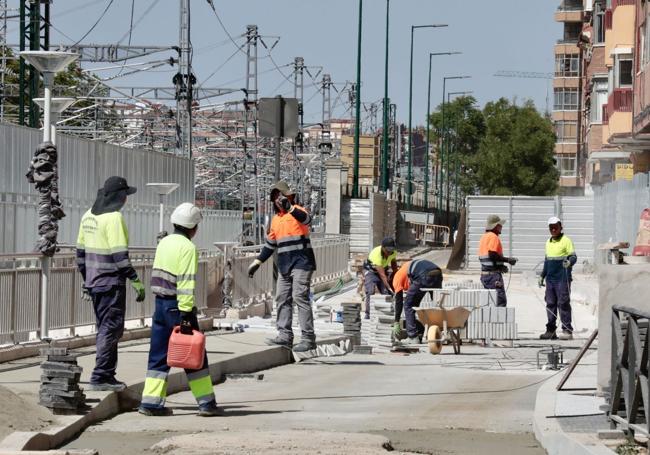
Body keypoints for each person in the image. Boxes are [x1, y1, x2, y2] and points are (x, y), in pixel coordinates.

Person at [138, 203, 221, 417]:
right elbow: (185, 283)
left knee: (158, 355)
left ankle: (150, 403)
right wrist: (186, 315)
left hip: (160, 305)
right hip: (178, 307)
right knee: (194, 355)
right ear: (193, 227)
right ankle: (206, 403)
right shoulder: (188, 248)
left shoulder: (164, 243)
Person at [76, 176, 145, 391]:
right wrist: (135, 279)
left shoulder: (88, 216)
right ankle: (101, 376)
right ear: (120, 197)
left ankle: (107, 375)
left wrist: (87, 280)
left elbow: (79, 254)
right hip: (112, 283)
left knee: (104, 328)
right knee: (111, 329)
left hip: (95, 282)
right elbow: (119, 256)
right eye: (125, 196)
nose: (126, 200)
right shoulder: (114, 218)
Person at [247, 181, 317, 352]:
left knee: (299, 296)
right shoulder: (276, 220)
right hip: (285, 265)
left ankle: (308, 338)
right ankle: (285, 335)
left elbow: (307, 219)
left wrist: (291, 208)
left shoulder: (298, 212)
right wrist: (258, 262)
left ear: (289, 197)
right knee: (281, 298)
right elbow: (270, 245)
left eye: (281, 196)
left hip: (302, 262)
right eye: (275, 197)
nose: (278, 200)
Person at [538, 216, 577, 341]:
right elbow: (547, 261)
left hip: (562, 278)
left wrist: (569, 263)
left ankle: (567, 330)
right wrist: (542, 276)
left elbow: (573, 257)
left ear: (561, 227)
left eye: (555, 227)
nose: (553, 229)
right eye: (551, 227)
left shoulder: (566, 240)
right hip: (550, 279)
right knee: (550, 304)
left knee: (563, 303)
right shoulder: (548, 242)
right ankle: (551, 330)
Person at [392, 259, 443, 345]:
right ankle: (436, 333)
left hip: (423, 275)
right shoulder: (407, 268)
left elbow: (399, 301)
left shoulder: (396, 277)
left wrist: (396, 321)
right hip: (438, 274)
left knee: (408, 305)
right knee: (435, 304)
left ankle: (413, 337)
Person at [478, 215, 517, 307]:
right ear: (495, 226)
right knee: (500, 302)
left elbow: (487, 258)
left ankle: (490, 321)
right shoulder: (494, 237)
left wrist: (500, 267)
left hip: (485, 276)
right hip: (493, 277)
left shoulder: (484, 237)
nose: (501, 227)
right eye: (500, 225)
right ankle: (498, 321)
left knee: (490, 303)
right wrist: (508, 260)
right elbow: (492, 254)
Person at [363, 237, 398, 319]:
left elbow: (393, 262)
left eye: (391, 250)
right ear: (382, 247)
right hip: (371, 271)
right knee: (370, 291)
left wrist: (395, 273)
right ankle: (368, 314)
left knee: (386, 293)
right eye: (387, 251)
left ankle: (387, 313)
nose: (389, 253)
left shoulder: (393, 252)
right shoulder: (376, 254)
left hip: (383, 269)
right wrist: (390, 288)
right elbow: (382, 275)